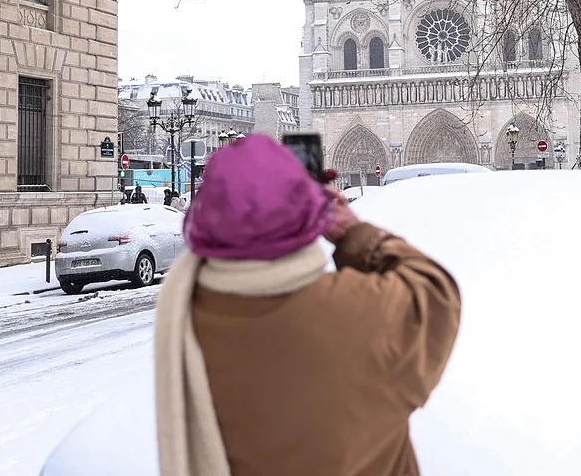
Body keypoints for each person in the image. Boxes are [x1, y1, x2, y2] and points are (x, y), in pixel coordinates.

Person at [154, 135, 461, 476]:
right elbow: (435, 292)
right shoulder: (358, 315)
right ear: (307, 216)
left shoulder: (187, 315)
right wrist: (352, 233)